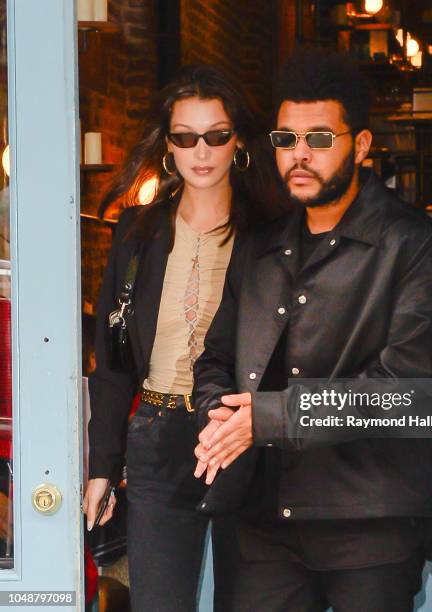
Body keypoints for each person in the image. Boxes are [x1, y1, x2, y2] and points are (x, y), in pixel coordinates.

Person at [192, 50, 432, 612]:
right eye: (286, 139)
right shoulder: (259, 247)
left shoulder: (412, 244)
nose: (299, 156)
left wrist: (271, 417)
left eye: (320, 139)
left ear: (359, 146)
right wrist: (221, 418)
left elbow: (404, 391)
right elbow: (216, 358)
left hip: (368, 525)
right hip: (264, 522)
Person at [83, 64, 283, 612]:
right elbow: (113, 362)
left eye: (216, 135)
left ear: (236, 140)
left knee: (251, 601)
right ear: (168, 145)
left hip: (238, 434)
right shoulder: (137, 233)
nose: (202, 151)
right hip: (158, 433)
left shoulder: (269, 234)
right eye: (185, 137)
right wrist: (103, 464)